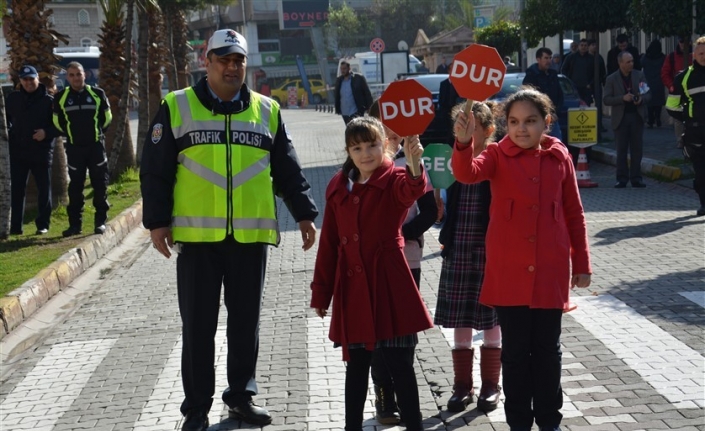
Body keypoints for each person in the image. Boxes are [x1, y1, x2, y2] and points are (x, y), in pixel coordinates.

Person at [140, 29, 319, 431]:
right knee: (199, 328)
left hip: (249, 239)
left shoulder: (266, 110)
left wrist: (305, 213)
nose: (232, 66)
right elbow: (155, 170)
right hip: (198, 241)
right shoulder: (177, 106)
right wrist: (157, 222)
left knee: (245, 324)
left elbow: (287, 168)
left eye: (238, 59)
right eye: (223, 59)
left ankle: (240, 398)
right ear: (207, 62)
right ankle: (197, 409)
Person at [451, 87, 592, 431]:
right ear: (505, 124)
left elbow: (574, 212)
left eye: (530, 121)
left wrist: (583, 264)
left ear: (546, 122)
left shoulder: (560, 156)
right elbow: (466, 173)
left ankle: (549, 422)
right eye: (513, 122)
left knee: (547, 352)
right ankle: (518, 424)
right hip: (509, 273)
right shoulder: (497, 154)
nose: (522, 129)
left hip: (550, 272)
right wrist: (463, 143)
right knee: (514, 356)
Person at [310, 116, 433, 431]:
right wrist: (322, 293)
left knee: (401, 366)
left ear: (386, 145)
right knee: (356, 368)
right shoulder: (338, 186)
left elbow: (412, 191)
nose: (366, 153)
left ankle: (414, 426)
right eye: (358, 147)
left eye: (373, 145)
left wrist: (416, 164)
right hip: (352, 290)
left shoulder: (394, 179)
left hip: (390, 285)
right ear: (349, 151)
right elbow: (330, 243)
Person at [367, 101, 437, 424]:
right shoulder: (363, 163)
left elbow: (430, 212)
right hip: (373, 265)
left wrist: (400, 232)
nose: (392, 133)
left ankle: (406, 398)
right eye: (386, 125)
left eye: (397, 127)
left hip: (408, 261)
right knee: (378, 336)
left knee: (404, 336)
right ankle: (383, 398)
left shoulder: (412, 162)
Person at [435, 101, 502, 414]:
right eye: (459, 127)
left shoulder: (498, 159)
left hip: (492, 250)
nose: (463, 134)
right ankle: (462, 385)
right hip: (459, 247)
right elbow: (438, 191)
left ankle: (491, 384)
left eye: (470, 129)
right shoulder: (452, 157)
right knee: (460, 321)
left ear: (488, 131)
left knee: (492, 321)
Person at [53, 61, 112, 237]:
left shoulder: (97, 93)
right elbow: (57, 121)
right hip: (74, 149)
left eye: (78, 74)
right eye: (71, 75)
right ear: (67, 77)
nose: (75, 78)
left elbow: (107, 117)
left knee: (100, 185)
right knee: (75, 188)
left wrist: (97, 133)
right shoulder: (61, 97)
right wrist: (71, 135)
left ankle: (100, 222)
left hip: (95, 147)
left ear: (84, 75)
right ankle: (75, 226)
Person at [6, 65, 58, 235]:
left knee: (44, 189)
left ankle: (43, 224)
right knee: (17, 190)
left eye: (31, 79)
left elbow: (60, 126)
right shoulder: (13, 99)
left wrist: (46, 133)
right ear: (20, 81)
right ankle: (15, 227)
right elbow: (5, 120)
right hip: (18, 152)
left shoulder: (48, 101)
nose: (28, 82)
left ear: (37, 79)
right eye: (25, 79)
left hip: (41, 152)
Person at [666, 36, 705, 216]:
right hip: (695, 130)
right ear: (694, 55)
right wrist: (688, 118)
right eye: (701, 53)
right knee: (700, 169)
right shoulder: (683, 78)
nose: (704, 56)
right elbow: (671, 106)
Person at [603, 51, 651, 188]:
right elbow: (606, 99)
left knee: (637, 149)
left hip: (637, 116)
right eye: (628, 62)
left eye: (632, 61)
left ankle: (636, 178)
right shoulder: (612, 78)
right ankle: (622, 178)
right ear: (620, 63)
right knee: (621, 149)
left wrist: (641, 99)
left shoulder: (639, 75)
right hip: (621, 118)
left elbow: (648, 94)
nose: (631, 64)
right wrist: (622, 98)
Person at [662, 36, 693, 147]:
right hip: (677, 90)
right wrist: (671, 86)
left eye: (686, 42)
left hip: (691, 90)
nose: (683, 44)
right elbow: (665, 73)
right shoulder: (671, 57)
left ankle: (690, 139)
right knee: (677, 116)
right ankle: (680, 140)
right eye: (681, 41)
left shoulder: (694, 56)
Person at [334, 61, 373, 125]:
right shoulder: (339, 80)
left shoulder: (358, 78)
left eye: (344, 68)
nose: (342, 71)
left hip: (356, 110)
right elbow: (337, 95)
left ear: (349, 68)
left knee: (357, 129)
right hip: (345, 112)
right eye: (341, 69)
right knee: (349, 130)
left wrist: (370, 107)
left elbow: (367, 93)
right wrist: (337, 108)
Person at [640, 39, 666, 128]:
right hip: (659, 82)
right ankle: (658, 118)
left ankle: (650, 120)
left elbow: (640, 64)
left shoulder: (646, 57)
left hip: (647, 82)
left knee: (649, 102)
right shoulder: (662, 58)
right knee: (658, 102)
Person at [561, 39, 595, 106]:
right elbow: (563, 69)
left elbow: (595, 72)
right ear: (578, 46)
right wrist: (569, 82)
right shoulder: (570, 57)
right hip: (574, 87)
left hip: (587, 87)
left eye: (585, 45)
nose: (583, 47)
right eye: (581, 45)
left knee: (586, 106)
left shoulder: (592, 58)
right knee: (575, 106)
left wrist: (591, 83)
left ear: (587, 47)